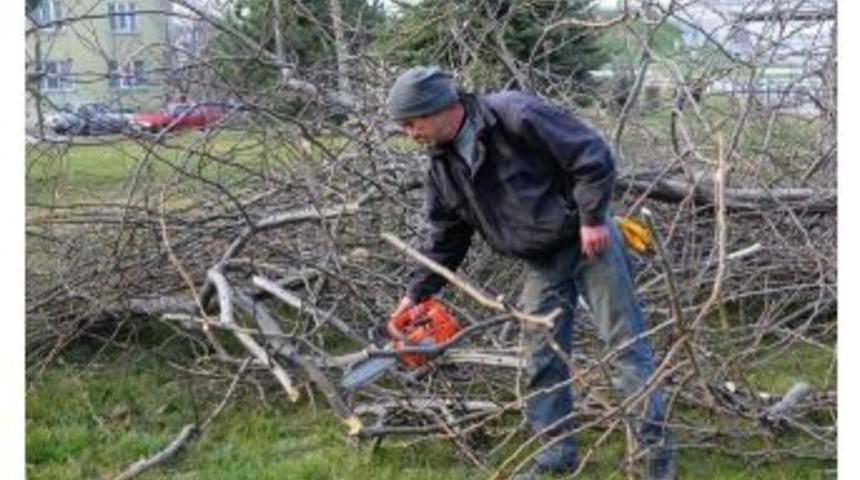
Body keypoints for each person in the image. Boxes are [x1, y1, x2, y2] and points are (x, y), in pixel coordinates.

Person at [385, 66, 675, 479]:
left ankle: (654, 461)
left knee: (626, 347)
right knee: (541, 358)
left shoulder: (514, 115)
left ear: (438, 108)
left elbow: (590, 155)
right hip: (541, 260)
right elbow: (447, 238)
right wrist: (417, 293)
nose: (410, 133)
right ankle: (557, 456)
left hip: (589, 241)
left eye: (412, 123)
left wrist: (592, 218)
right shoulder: (442, 167)